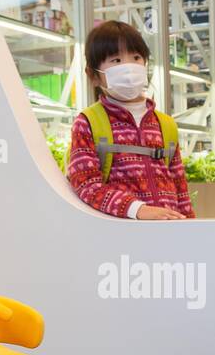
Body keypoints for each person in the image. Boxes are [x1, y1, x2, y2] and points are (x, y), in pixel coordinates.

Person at [66, 20, 195, 220]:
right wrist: (136, 209)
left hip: (169, 233)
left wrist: (191, 227)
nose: (128, 67)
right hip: (120, 235)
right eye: (116, 60)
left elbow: (181, 190)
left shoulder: (166, 124)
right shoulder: (88, 123)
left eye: (136, 57)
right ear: (93, 76)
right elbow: (85, 184)